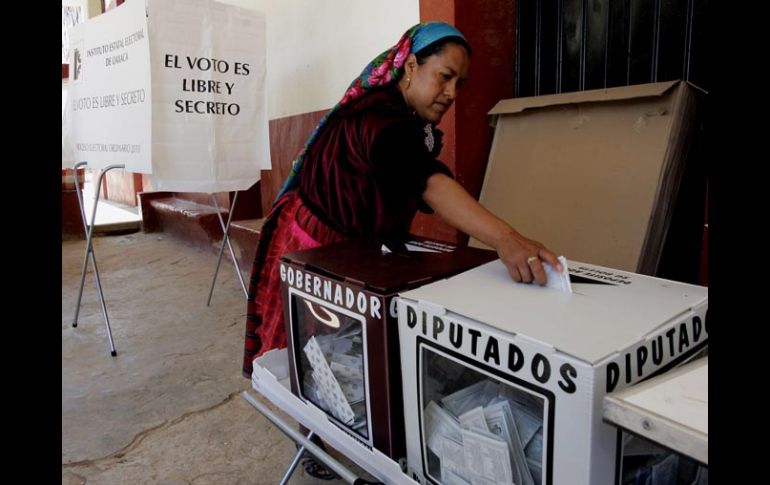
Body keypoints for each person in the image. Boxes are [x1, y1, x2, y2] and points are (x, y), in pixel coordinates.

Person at [243, 21, 562, 480]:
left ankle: (352, 427)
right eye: (444, 76)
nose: (452, 92)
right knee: (321, 346)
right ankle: (316, 434)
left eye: (460, 82)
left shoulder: (404, 118)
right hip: (316, 242)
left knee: (349, 348)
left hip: (358, 245)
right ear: (410, 67)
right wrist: (505, 238)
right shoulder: (377, 119)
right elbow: (426, 181)